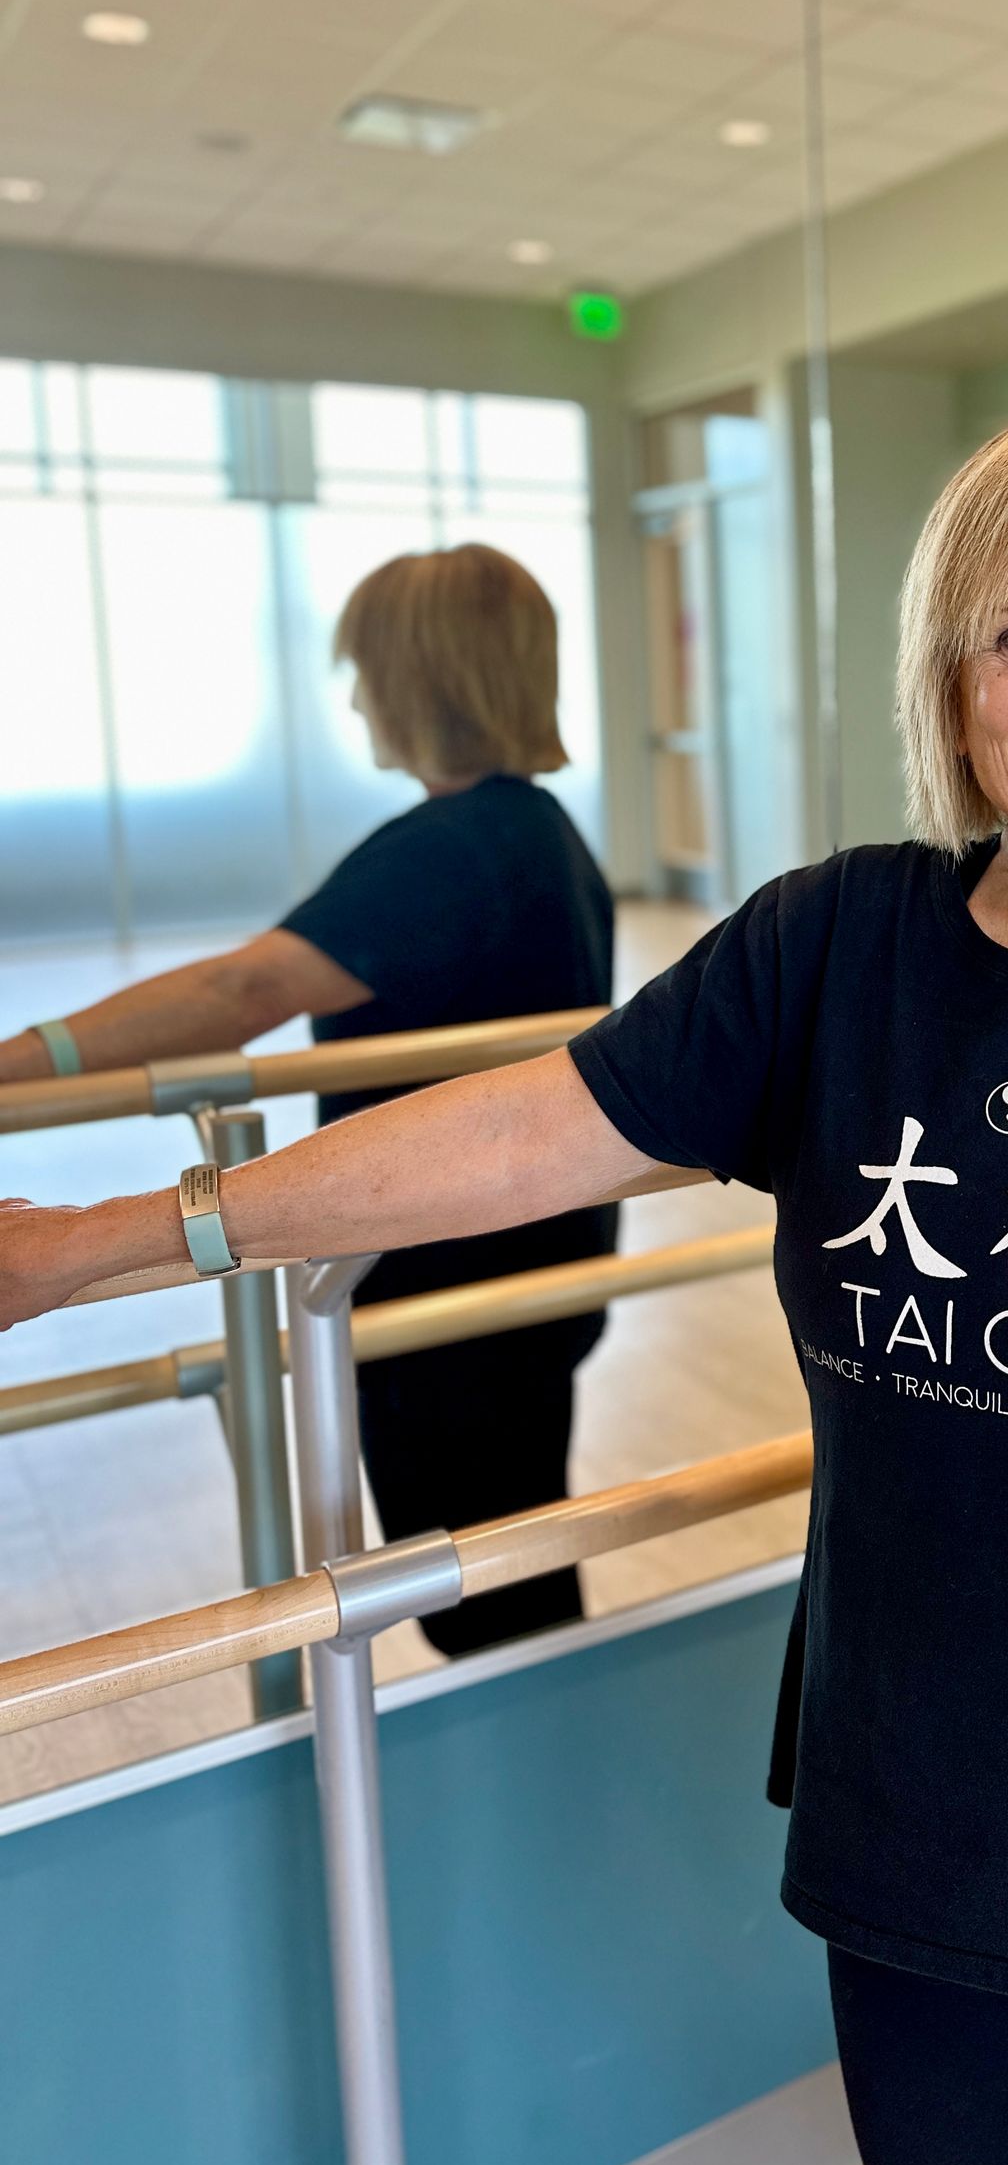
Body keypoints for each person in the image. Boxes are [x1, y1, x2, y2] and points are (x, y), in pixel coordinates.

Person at [3, 404, 1008, 2165]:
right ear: (951, 677)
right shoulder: (838, 951)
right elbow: (516, 1137)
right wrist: (100, 1241)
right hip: (922, 1827)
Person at [0, 543, 616, 1658]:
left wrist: (15, 1065)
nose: (355, 695)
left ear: (423, 678)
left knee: (488, 1596)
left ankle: (551, 1789)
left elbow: (244, 987)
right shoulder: (539, 833)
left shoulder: (453, 848)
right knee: (505, 1565)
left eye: (367, 668)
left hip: (451, 1273)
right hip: (520, 1260)